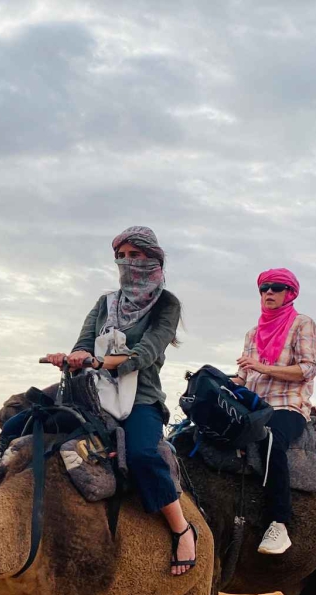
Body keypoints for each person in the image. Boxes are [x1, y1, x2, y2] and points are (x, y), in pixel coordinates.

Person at [43, 226, 195, 575]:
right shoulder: (105, 302)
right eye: (121, 256)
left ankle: (181, 529)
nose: (127, 262)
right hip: (93, 393)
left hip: (140, 398)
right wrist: (71, 358)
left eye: (135, 255)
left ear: (153, 258)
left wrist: (101, 362)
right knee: (28, 421)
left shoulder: (167, 304)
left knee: (142, 455)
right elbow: (83, 342)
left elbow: (147, 353)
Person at [233, 268, 316, 556]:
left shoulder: (302, 324)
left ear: (289, 293)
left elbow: (307, 369)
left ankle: (279, 522)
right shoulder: (252, 333)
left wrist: (262, 368)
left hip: (287, 405)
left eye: (276, 287)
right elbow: (243, 379)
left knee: (269, 439)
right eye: (264, 288)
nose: (268, 293)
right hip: (254, 406)